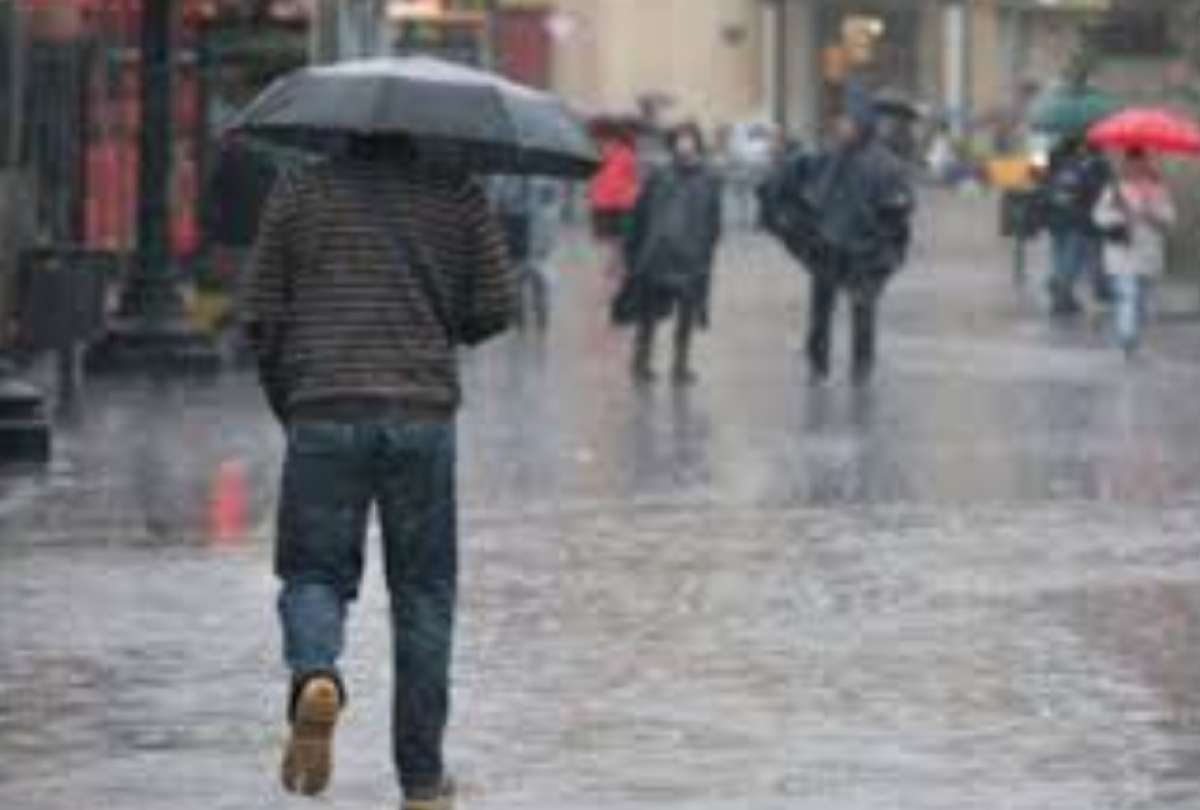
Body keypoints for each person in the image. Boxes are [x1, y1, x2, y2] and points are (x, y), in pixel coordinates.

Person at [243, 134, 514, 810]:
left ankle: (315, 676)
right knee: (424, 594)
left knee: (313, 572)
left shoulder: (302, 190)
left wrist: (291, 393)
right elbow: (496, 308)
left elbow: (260, 311)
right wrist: (435, 316)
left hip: (323, 409)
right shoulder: (456, 193)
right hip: (421, 414)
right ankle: (422, 782)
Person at [802, 107, 915, 385]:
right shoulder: (830, 156)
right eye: (841, 122)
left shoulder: (884, 163)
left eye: (848, 123)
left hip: (864, 249)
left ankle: (861, 367)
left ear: (862, 126)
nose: (843, 128)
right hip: (828, 245)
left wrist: (886, 237)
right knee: (820, 310)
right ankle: (818, 364)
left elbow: (901, 207)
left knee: (863, 310)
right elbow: (812, 192)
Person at [613, 122, 723, 385]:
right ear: (673, 144)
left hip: (690, 257)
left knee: (686, 316)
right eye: (680, 140)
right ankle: (641, 363)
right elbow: (640, 214)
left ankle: (680, 366)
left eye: (690, 139)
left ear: (697, 143)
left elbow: (713, 220)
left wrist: (706, 251)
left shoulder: (708, 179)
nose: (685, 145)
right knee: (648, 315)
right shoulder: (659, 175)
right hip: (658, 254)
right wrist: (632, 250)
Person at [1093, 148, 1176, 358]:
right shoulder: (1114, 189)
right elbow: (1099, 217)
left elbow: (1169, 220)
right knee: (1127, 295)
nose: (1137, 168)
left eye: (1141, 163)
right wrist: (1121, 218)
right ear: (1126, 165)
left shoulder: (1158, 189)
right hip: (1122, 252)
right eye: (1132, 163)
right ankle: (1127, 337)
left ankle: (1133, 336)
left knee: (1141, 300)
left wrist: (1151, 213)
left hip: (1149, 253)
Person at [1044, 137, 1112, 314]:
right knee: (1071, 257)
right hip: (1076, 218)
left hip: (1054, 216)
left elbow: (1036, 177)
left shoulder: (1052, 156)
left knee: (1060, 254)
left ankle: (1060, 287)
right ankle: (1063, 294)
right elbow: (1096, 191)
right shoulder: (1089, 165)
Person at [490, 174, 564, 330]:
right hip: (518, 224)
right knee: (522, 271)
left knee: (530, 271)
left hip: (530, 226)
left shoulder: (505, 175)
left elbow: (495, 203)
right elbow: (495, 202)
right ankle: (524, 314)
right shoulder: (505, 176)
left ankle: (535, 310)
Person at [588, 132, 640, 278]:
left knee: (617, 239)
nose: (606, 143)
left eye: (609, 139)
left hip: (620, 204)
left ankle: (613, 267)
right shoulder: (598, 155)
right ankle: (610, 266)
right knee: (609, 240)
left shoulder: (626, 156)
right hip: (604, 204)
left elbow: (633, 179)